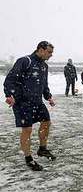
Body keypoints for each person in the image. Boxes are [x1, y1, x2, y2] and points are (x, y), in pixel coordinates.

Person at [3, 41, 56, 171]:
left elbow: (44, 84)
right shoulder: (25, 61)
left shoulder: (44, 66)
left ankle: (42, 149)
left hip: (37, 101)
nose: (51, 55)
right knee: (27, 129)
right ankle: (28, 159)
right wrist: (9, 95)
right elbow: (10, 80)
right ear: (41, 50)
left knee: (46, 122)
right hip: (22, 102)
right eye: (49, 52)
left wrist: (48, 96)